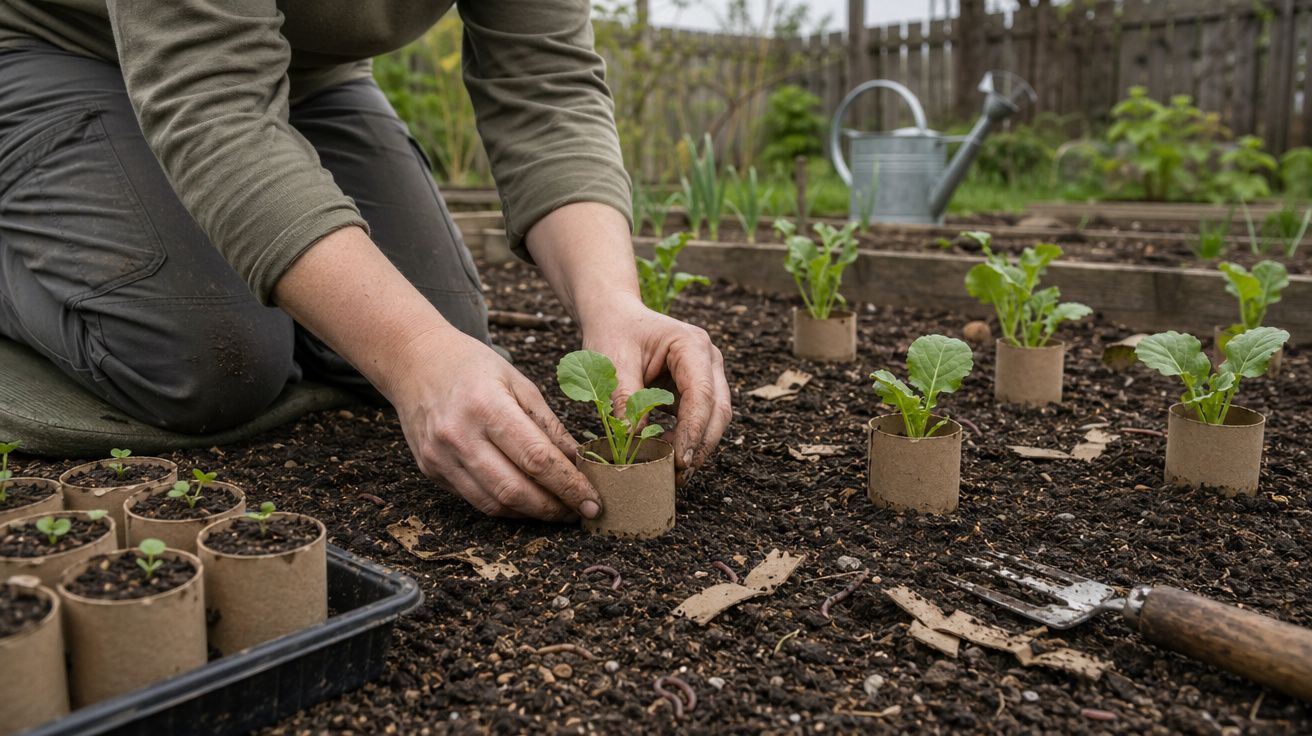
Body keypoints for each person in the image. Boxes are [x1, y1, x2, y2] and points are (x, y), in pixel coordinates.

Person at [0, 0, 732, 522]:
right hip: (55, 45)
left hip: (305, 71)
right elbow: (211, 99)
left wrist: (614, 305)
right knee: (210, 360)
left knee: (441, 330)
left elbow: (546, 85)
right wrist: (412, 356)